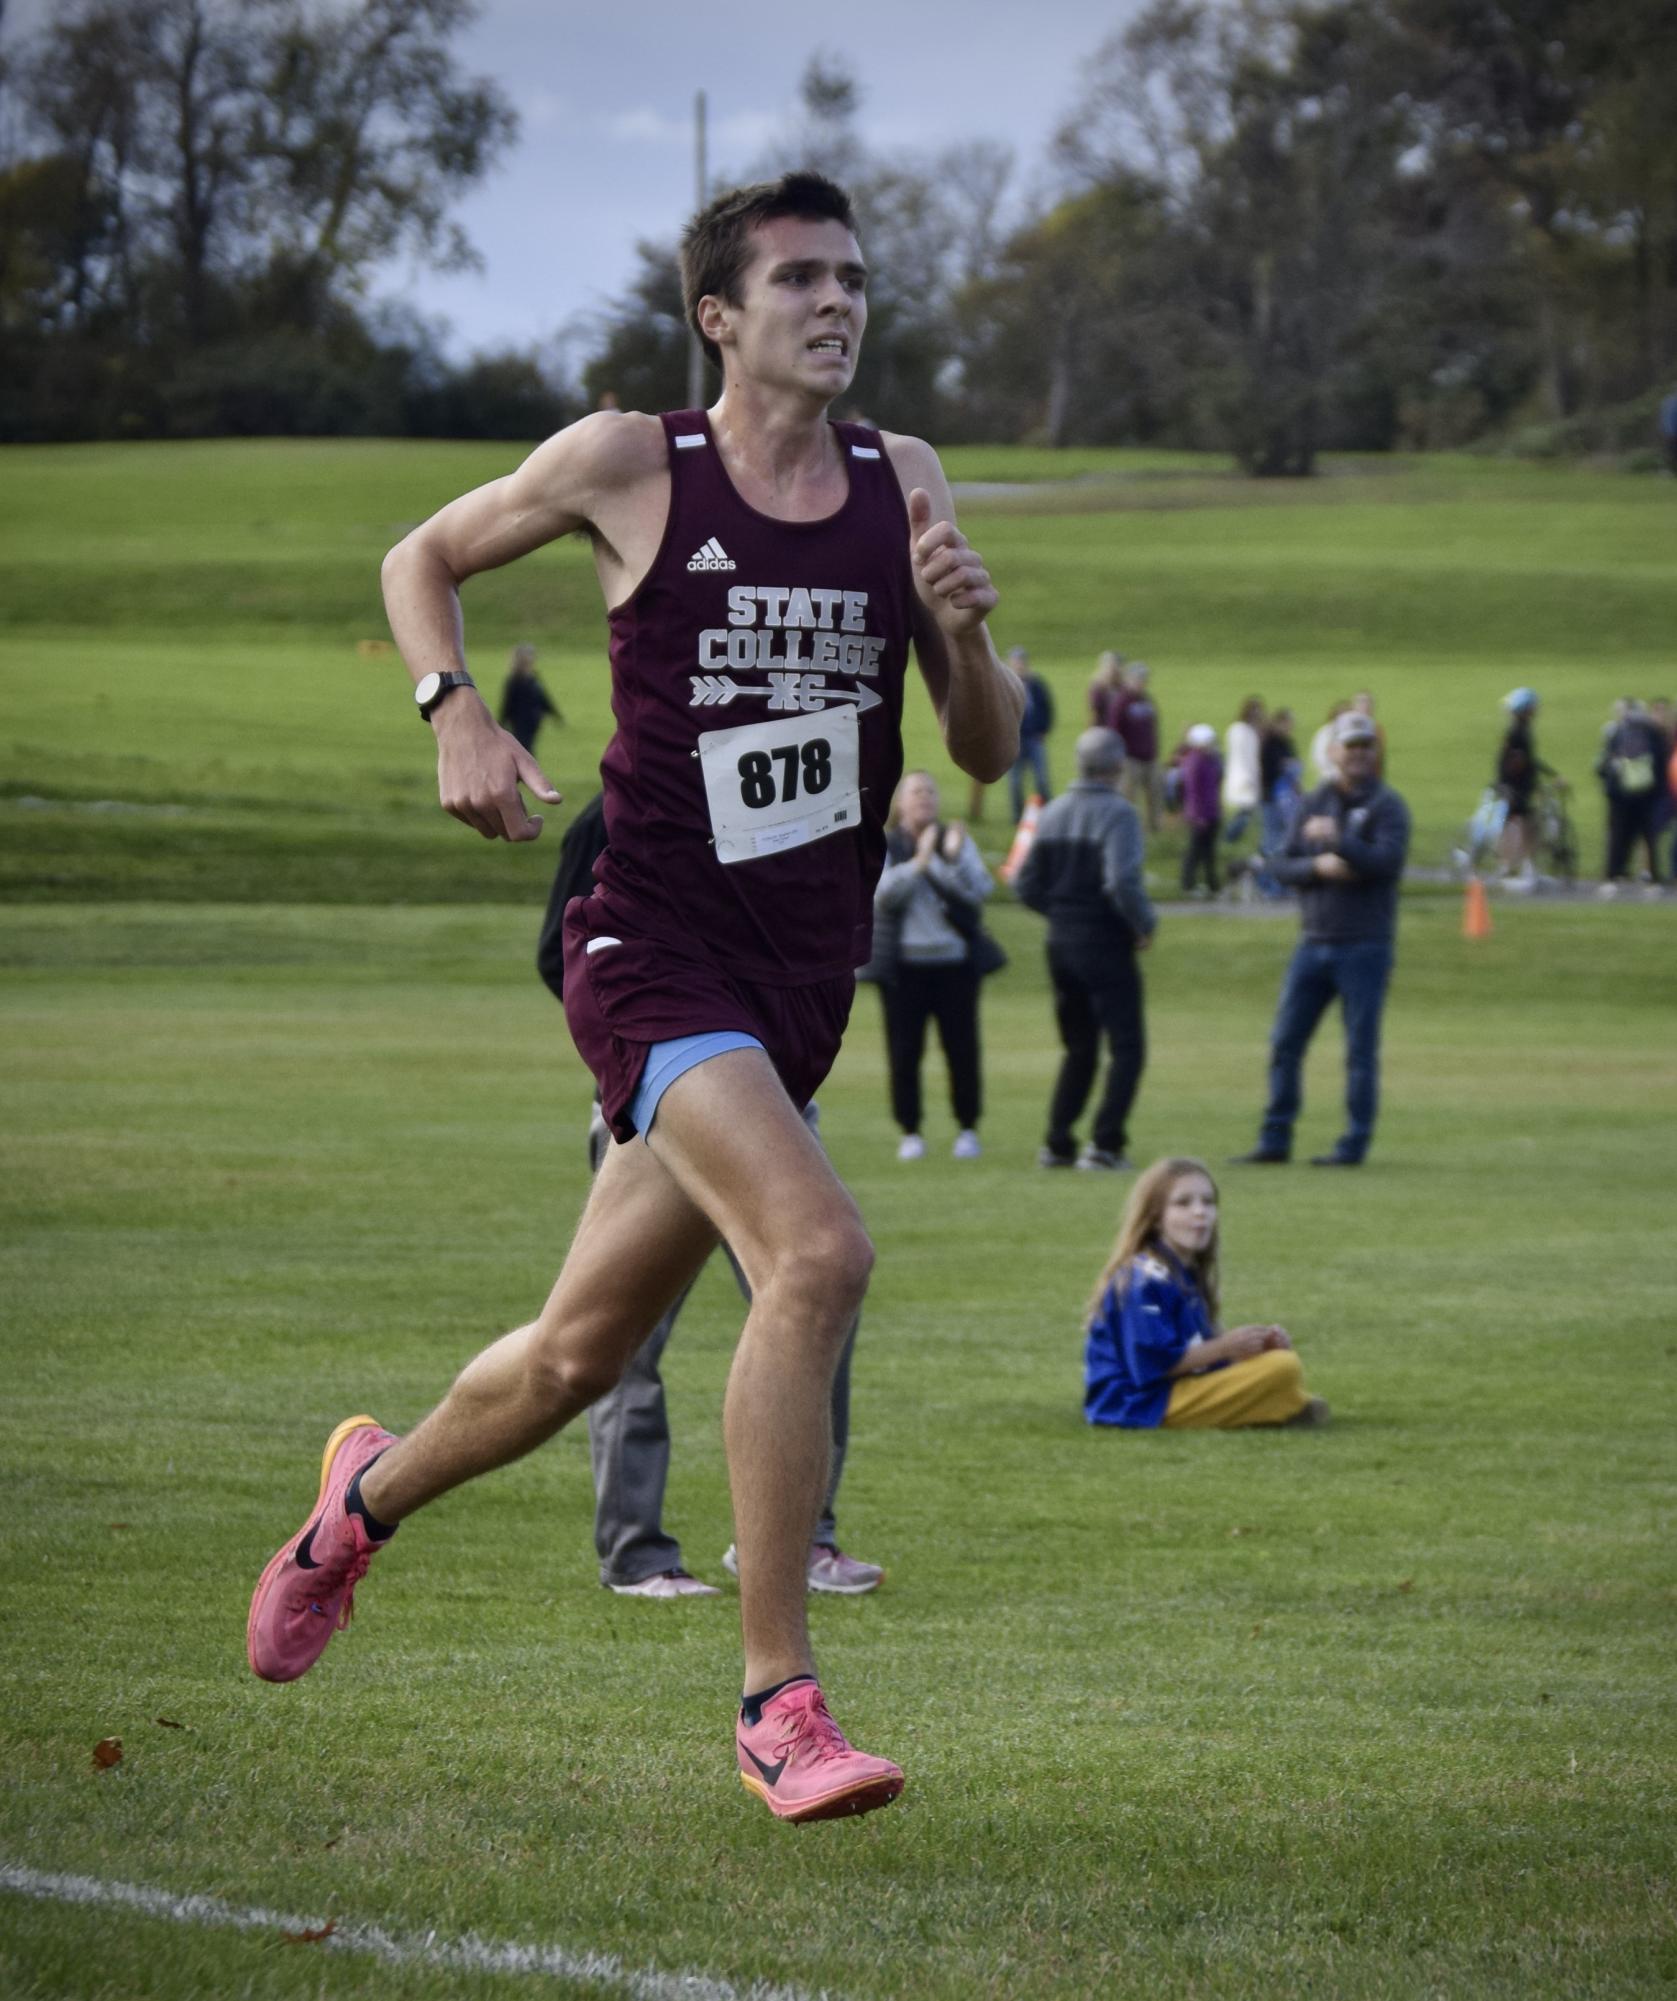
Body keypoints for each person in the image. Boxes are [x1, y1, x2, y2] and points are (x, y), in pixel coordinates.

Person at [245, 170, 1023, 1828]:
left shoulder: (905, 481)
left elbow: (984, 748)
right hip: (649, 949)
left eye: (855, 279)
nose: (839, 303)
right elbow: (421, 553)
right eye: (801, 278)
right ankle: (776, 1706)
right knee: (817, 1254)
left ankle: (352, 1510)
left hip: (800, 982)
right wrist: (455, 707)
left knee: (573, 1359)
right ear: (718, 316)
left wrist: (963, 638)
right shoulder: (632, 463)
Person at [533, 797, 882, 1600]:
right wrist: (657, 1052)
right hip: (658, 1107)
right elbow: (565, 951)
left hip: (776, 1108)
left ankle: (804, 1538)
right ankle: (636, 1553)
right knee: (620, 1338)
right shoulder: (619, 811)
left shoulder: (781, 791)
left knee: (818, 1300)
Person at [1232, 711, 1410, 1168]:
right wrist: (1318, 868)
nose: (1357, 754)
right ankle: (1275, 1138)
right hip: (1313, 942)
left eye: (1365, 746)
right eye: (1349, 746)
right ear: (1332, 752)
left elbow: (1386, 863)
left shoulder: (1388, 805)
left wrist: (1341, 842)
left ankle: (1353, 1143)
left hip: (1365, 944)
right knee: (1285, 1042)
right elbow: (1281, 865)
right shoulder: (1314, 802)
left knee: (1359, 1050)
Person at [1083, 1159, 1327, 1429]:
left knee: (1276, 1362)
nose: (1200, 1212)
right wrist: (1224, 1347)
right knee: (1282, 1368)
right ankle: (1278, 1406)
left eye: (1208, 1202)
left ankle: (1276, 1404)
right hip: (1139, 1403)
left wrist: (1246, 1351)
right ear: (1155, 1216)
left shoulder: (1182, 1272)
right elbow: (1153, 1364)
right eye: (1183, 1203)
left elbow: (1195, 1356)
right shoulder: (1143, 1280)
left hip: (1172, 1390)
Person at [1015, 727, 1156, 1171]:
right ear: (1117, 767)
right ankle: (1105, 1143)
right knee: (1127, 1047)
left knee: (1078, 1046)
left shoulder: (1053, 811)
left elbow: (1024, 882)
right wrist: (1143, 924)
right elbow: (1122, 880)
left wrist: (1059, 913)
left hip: (1060, 943)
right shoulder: (1119, 813)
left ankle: (1058, 1142)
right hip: (1105, 941)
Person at [873, 771, 994, 1161]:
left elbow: (978, 892)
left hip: (955, 965)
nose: (925, 797)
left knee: (962, 1050)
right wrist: (920, 862)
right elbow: (883, 895)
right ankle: (910, 1131)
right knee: (904, 1052)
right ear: (900, 803)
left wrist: (951, 860)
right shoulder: (887, 843)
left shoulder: (956, 840)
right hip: (904, 968)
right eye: (916, 791)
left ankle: (968, 1128)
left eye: (930, 790)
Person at [1596, 699, 1668, 895]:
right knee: (1648, 836)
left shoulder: (1617, 731)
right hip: (1646, 793)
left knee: (1618, 836)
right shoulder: (1653, 733)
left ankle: (1613, 875)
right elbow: (1661, 764)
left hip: (1620, 795)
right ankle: (1652, 878)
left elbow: (1604, 764)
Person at [1494, 688, 1556, 887]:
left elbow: (1526, 760)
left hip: (1515, 785)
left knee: (1521, 824)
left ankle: (1518, 866)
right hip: (1517, 786)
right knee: (1523, 825)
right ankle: (1514, 866)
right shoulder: (1518, 732)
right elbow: (1519, 761)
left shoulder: (1519, 730)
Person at [1007, 646, 1055, 821]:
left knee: (1042, 779)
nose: (1019, 665)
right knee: (1015, 781)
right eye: (1016, 661)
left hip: (1034, 739)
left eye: (1022, 661)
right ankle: (1017, 817)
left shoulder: (1036, 685)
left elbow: (1047, 709)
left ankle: (1049, 814)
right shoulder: (1005, 685)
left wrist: (1043, 730)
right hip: (1014, 742)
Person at [1178, 723, 1222, 895]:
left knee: (1208, 851)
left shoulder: (1208, 759)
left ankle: (1212, 884)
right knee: (1195, 851)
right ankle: (1189, 883)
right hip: (1201, 815)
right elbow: (1193, 792)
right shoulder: (1195, 762)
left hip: (1210, 812)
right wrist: (1198, 816)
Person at [1116, 662, 1161, 831]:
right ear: (1129, 679)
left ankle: (1154, 830)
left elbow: (1153, 727)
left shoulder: (1147, 700)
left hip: (1149, 757)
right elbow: (1115, 730)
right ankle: (1129, 830)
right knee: (1129, 797)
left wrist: (1154, 751)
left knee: (1155, 796)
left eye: (1144, 678)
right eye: (1138, 678)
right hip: (1130, 759)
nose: (1142, 682)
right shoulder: (1121, 702)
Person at [497, 642, 562, 752]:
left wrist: (555, 714)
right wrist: (501, 724)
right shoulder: (515, 681)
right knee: (524, 749)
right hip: (520, 722)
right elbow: (507, 704)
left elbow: (543, 699)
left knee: (528, 748)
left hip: (532, 721)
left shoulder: (533, 678)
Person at [1221, 697, 1263, 848]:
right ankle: (1228, 838)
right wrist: (1247, 776)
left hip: (1247, 775)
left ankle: (1230, 839)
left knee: (1246, 811)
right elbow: (1243, 756)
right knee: (1245, 811)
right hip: (1243, 776)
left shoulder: (1246, 730)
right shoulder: (1240, 730)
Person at [1088, 650, 1126, 730]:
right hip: (1105, 731)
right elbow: (1095, 715)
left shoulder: (1124, 687)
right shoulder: (1098, 688)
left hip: (1122, 730)